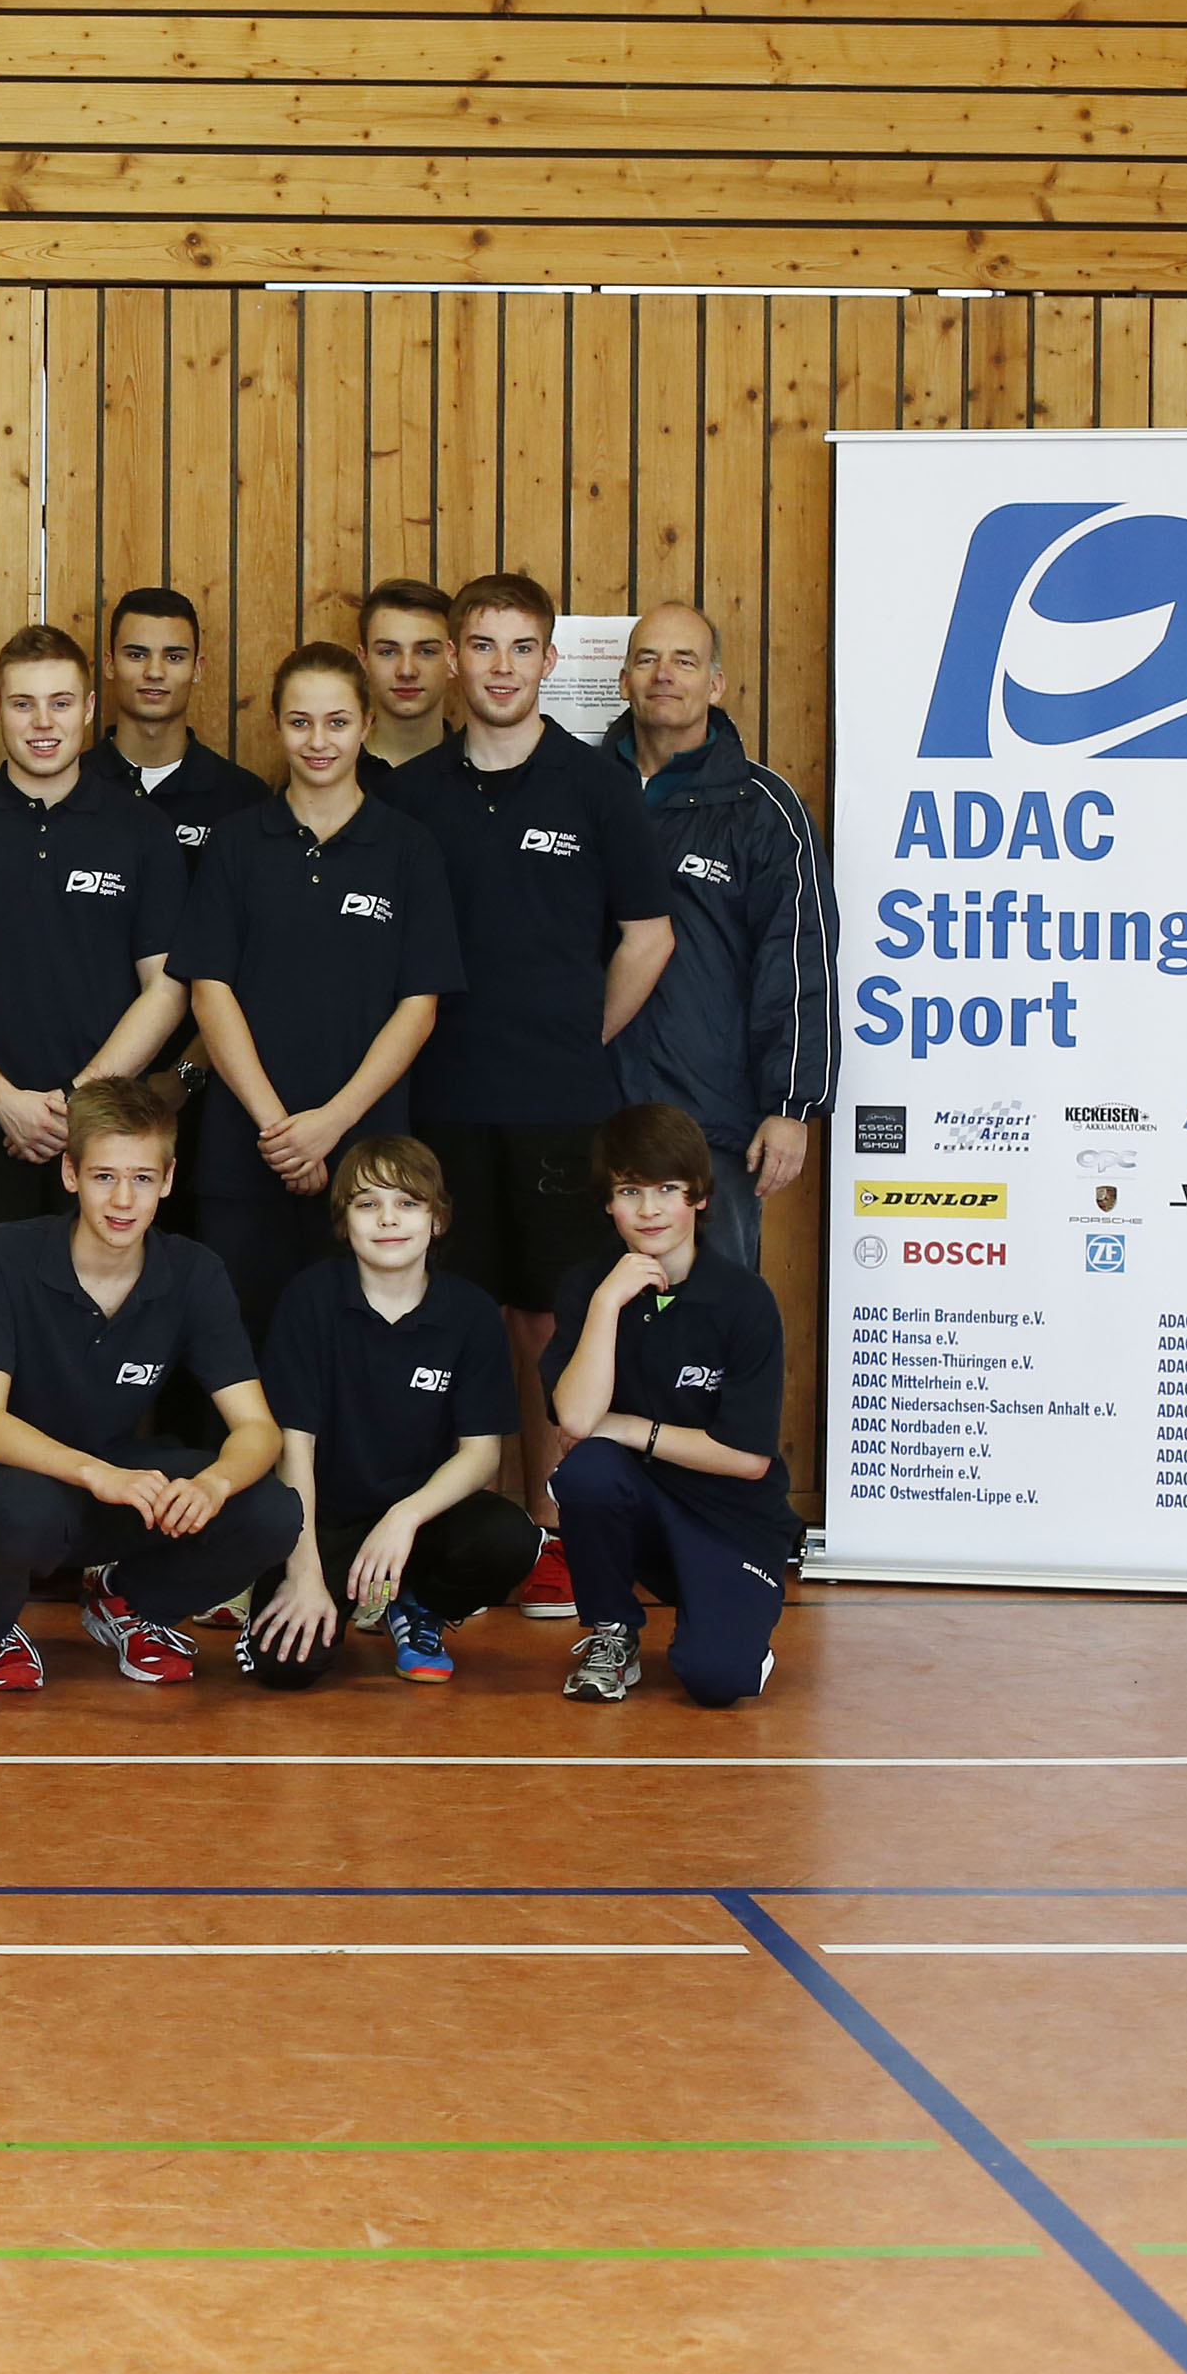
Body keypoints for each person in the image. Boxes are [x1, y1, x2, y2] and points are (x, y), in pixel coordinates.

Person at [373, 571, 677, 1609]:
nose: (499, 667)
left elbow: (648, 936)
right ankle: (447, 1534)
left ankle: (551, 1529)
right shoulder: (408, 797)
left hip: (559, 1105)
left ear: (549, 660)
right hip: (435, 1104)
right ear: (454, 659)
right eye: (481, 645)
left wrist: (576, 1034)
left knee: (548, 1323)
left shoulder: (596, 789)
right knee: (445, 1319)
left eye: (519, 648)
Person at [0, 1075, 300, 1693]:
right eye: (104, 1176)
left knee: (271, 1510)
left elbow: (258, 1429)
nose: (123, 1200)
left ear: (168, 1180)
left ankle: (130, 1603)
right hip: (15, 1481)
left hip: (121, 1478)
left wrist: (214, 1484)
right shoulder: (5, 1254)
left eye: (142, 1178)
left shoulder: (193, 1271)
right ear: (70, 1174)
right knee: (17, 1513)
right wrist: (95, 1474)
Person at [172, 644, 465, 1337]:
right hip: (247, 1153)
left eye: (337, 722)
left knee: (359, 1348)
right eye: (300, 722)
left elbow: (419, 1007)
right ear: (276, 724)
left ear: (367, 724)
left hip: (369, 1160)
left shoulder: (408, 848)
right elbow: (209, 991)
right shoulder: (237, 843)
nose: (318, 740)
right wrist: (280, 1129)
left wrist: (330, 1124)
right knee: (240, 1348)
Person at [0, 623, 189, 1270]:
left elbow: (167, 989)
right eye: (24, 703)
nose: (43, 722)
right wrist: (4, 1100)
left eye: (60, 702)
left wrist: (78, 1101)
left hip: (108, 1137)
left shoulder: (143, 831)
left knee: (99, 1314)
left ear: (88, 708)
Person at [237, 1135, 535, 1690]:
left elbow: (481, 1455)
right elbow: (294, 1446)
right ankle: (293, 1589)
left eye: (407, 1202)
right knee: (285, 1669)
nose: (388, 1219)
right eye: (367, 1203)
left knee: (509, 1538)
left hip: (420, 1520)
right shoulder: (310, 1299)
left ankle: (417, 1606)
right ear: (343, 1221)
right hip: (322, 1520)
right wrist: (304, 1575)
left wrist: (404, 1517)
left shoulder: (470, 1312)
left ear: (437, 1220)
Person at [607, 604, 836, 1272]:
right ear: (623, 680)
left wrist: (791, 1104)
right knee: (596, 1312)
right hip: (592, 1114)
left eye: (684, 661)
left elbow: (798, 957)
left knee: (713, 1316)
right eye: (647, 659)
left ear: (715, 684)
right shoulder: (580, 790)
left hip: (711, 1121)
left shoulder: (763, 808)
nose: (663, 675)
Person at [544, 1103, 792, 1709]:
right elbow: (575, 1420)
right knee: (586, 1471)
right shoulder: (589, 1288)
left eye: (668, 1190)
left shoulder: (744, 1300)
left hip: (730, 1522)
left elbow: (748, 1459)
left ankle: (729, 1625)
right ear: (609, 1203)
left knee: (717, 1680)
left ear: (700, 1196)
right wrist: (607, 1303)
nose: (649, 1210)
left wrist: (630, 1427)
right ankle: (612, 1631)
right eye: (630, 1191)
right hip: (642, 1517)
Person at [99, 586, 274, 865]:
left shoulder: (246, 799)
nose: (154, 672)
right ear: (109, 665)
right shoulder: (72, 785)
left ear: (197, 669)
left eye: (174, 657)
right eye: (136, 655)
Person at [356, 578, 459, 768]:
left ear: (453, 659)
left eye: (426, 651)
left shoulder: (479, 774)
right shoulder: (334, 773)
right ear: (364, 660)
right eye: (388, 652)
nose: (406, 671)